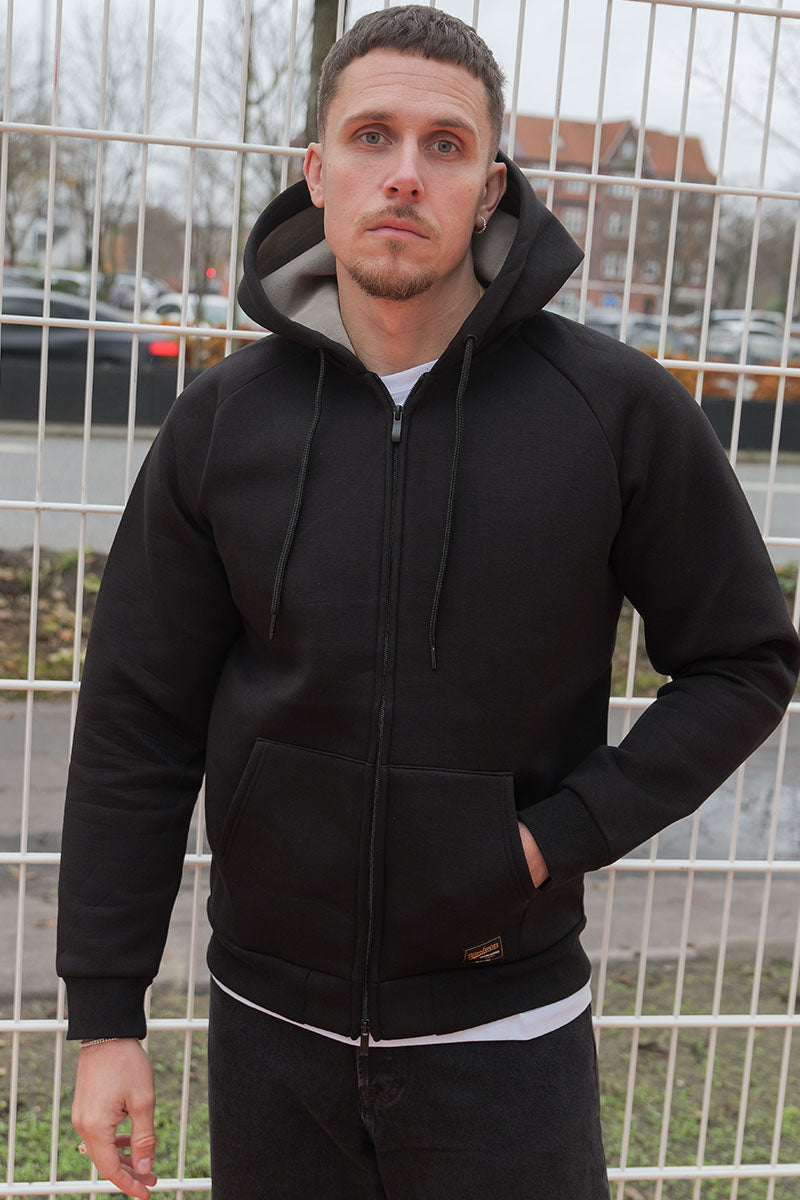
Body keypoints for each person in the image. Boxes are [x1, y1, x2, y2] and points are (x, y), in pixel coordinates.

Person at [58, 7, 799, 1199]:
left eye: (444, 145)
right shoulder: (220, 426)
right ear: (316, 170)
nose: (404, 173)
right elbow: (135, 719)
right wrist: (106, 1016)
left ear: (491, 186)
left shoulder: (615, 413)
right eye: (372, 136)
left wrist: (548, 840)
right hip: (269, 1034)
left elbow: (742, 661)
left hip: (504, 1037)